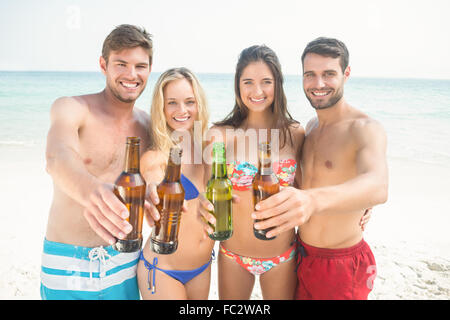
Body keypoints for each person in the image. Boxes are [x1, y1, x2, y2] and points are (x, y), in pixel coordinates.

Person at [252, 37, 388, 300]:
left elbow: (378, 185)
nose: (318, 84)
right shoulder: (310, 128)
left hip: (339, 263)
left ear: (346, 74)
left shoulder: (364, 128)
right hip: (301, 254)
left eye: (329, 74)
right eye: (310, 75)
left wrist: (312, 200)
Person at [41, 24, 155, 300]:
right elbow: (58, 157)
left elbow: (160, 174)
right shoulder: (72, 108)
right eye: (121, 64)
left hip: (126, 261)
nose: (131, 74)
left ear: (150, 69)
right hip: (68, 263)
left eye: (140, 66)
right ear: (103, 65)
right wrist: (91, 191)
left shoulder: (149, 126)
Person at [199, 45, 306, 299]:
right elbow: (203, 189)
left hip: (283, 254)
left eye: (266, 82)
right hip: (233, 254)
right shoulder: (219, 134)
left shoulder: (296, 133)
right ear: (238, 85)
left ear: (277, 85)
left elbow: (309, 190)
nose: (257, 91)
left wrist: (359, 208)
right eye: (248, 82)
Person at [136, 67, 214, 299]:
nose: (182, 110)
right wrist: (152, 189)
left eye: (189, 102)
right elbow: (152, 174)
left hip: (203, 268)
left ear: (199, 104)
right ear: (161, 107)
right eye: (172, 103)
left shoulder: (208, 149)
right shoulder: (157, 155)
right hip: (163, 271)